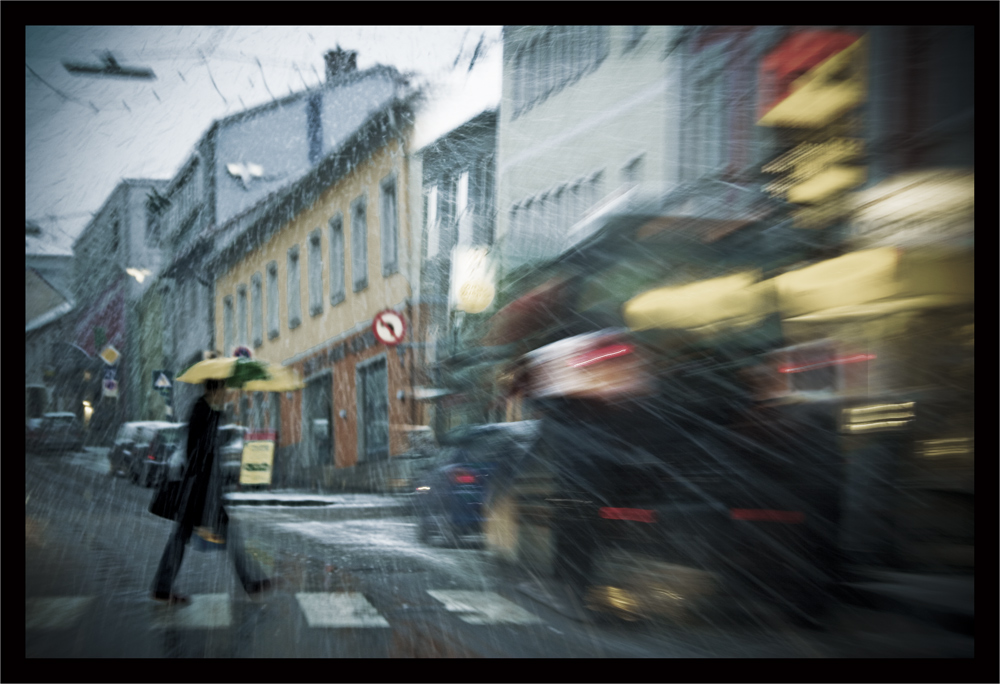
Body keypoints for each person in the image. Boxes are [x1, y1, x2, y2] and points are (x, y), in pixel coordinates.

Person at [151, 377, 273, 604]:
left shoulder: (206, 411)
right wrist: (216, 423)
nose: (227, 394)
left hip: (202, 490)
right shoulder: (202, 411)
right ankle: (251, 581)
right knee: (206, 535)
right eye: (224, 389)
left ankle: (162, 585)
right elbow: (199, 454)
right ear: (214, 390)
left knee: (182, 536)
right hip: (200, 491)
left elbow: (206, 451)